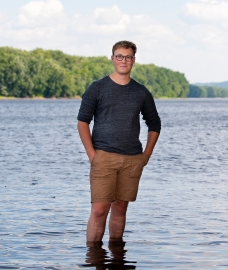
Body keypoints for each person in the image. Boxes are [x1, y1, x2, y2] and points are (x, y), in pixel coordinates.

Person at [77, 40, 161, 243]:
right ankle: (94, 258)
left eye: (128, 57)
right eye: (120, 56)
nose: (124, 60)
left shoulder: (141, 92)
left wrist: (146, 156)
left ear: (134, 60)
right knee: (99, 210)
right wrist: (92, 155)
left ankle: (116, 258)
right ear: (112, 58)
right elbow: (82, 122)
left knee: (121, 208)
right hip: (103, 157)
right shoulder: (97, 88)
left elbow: (155, 124)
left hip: (133, 159)